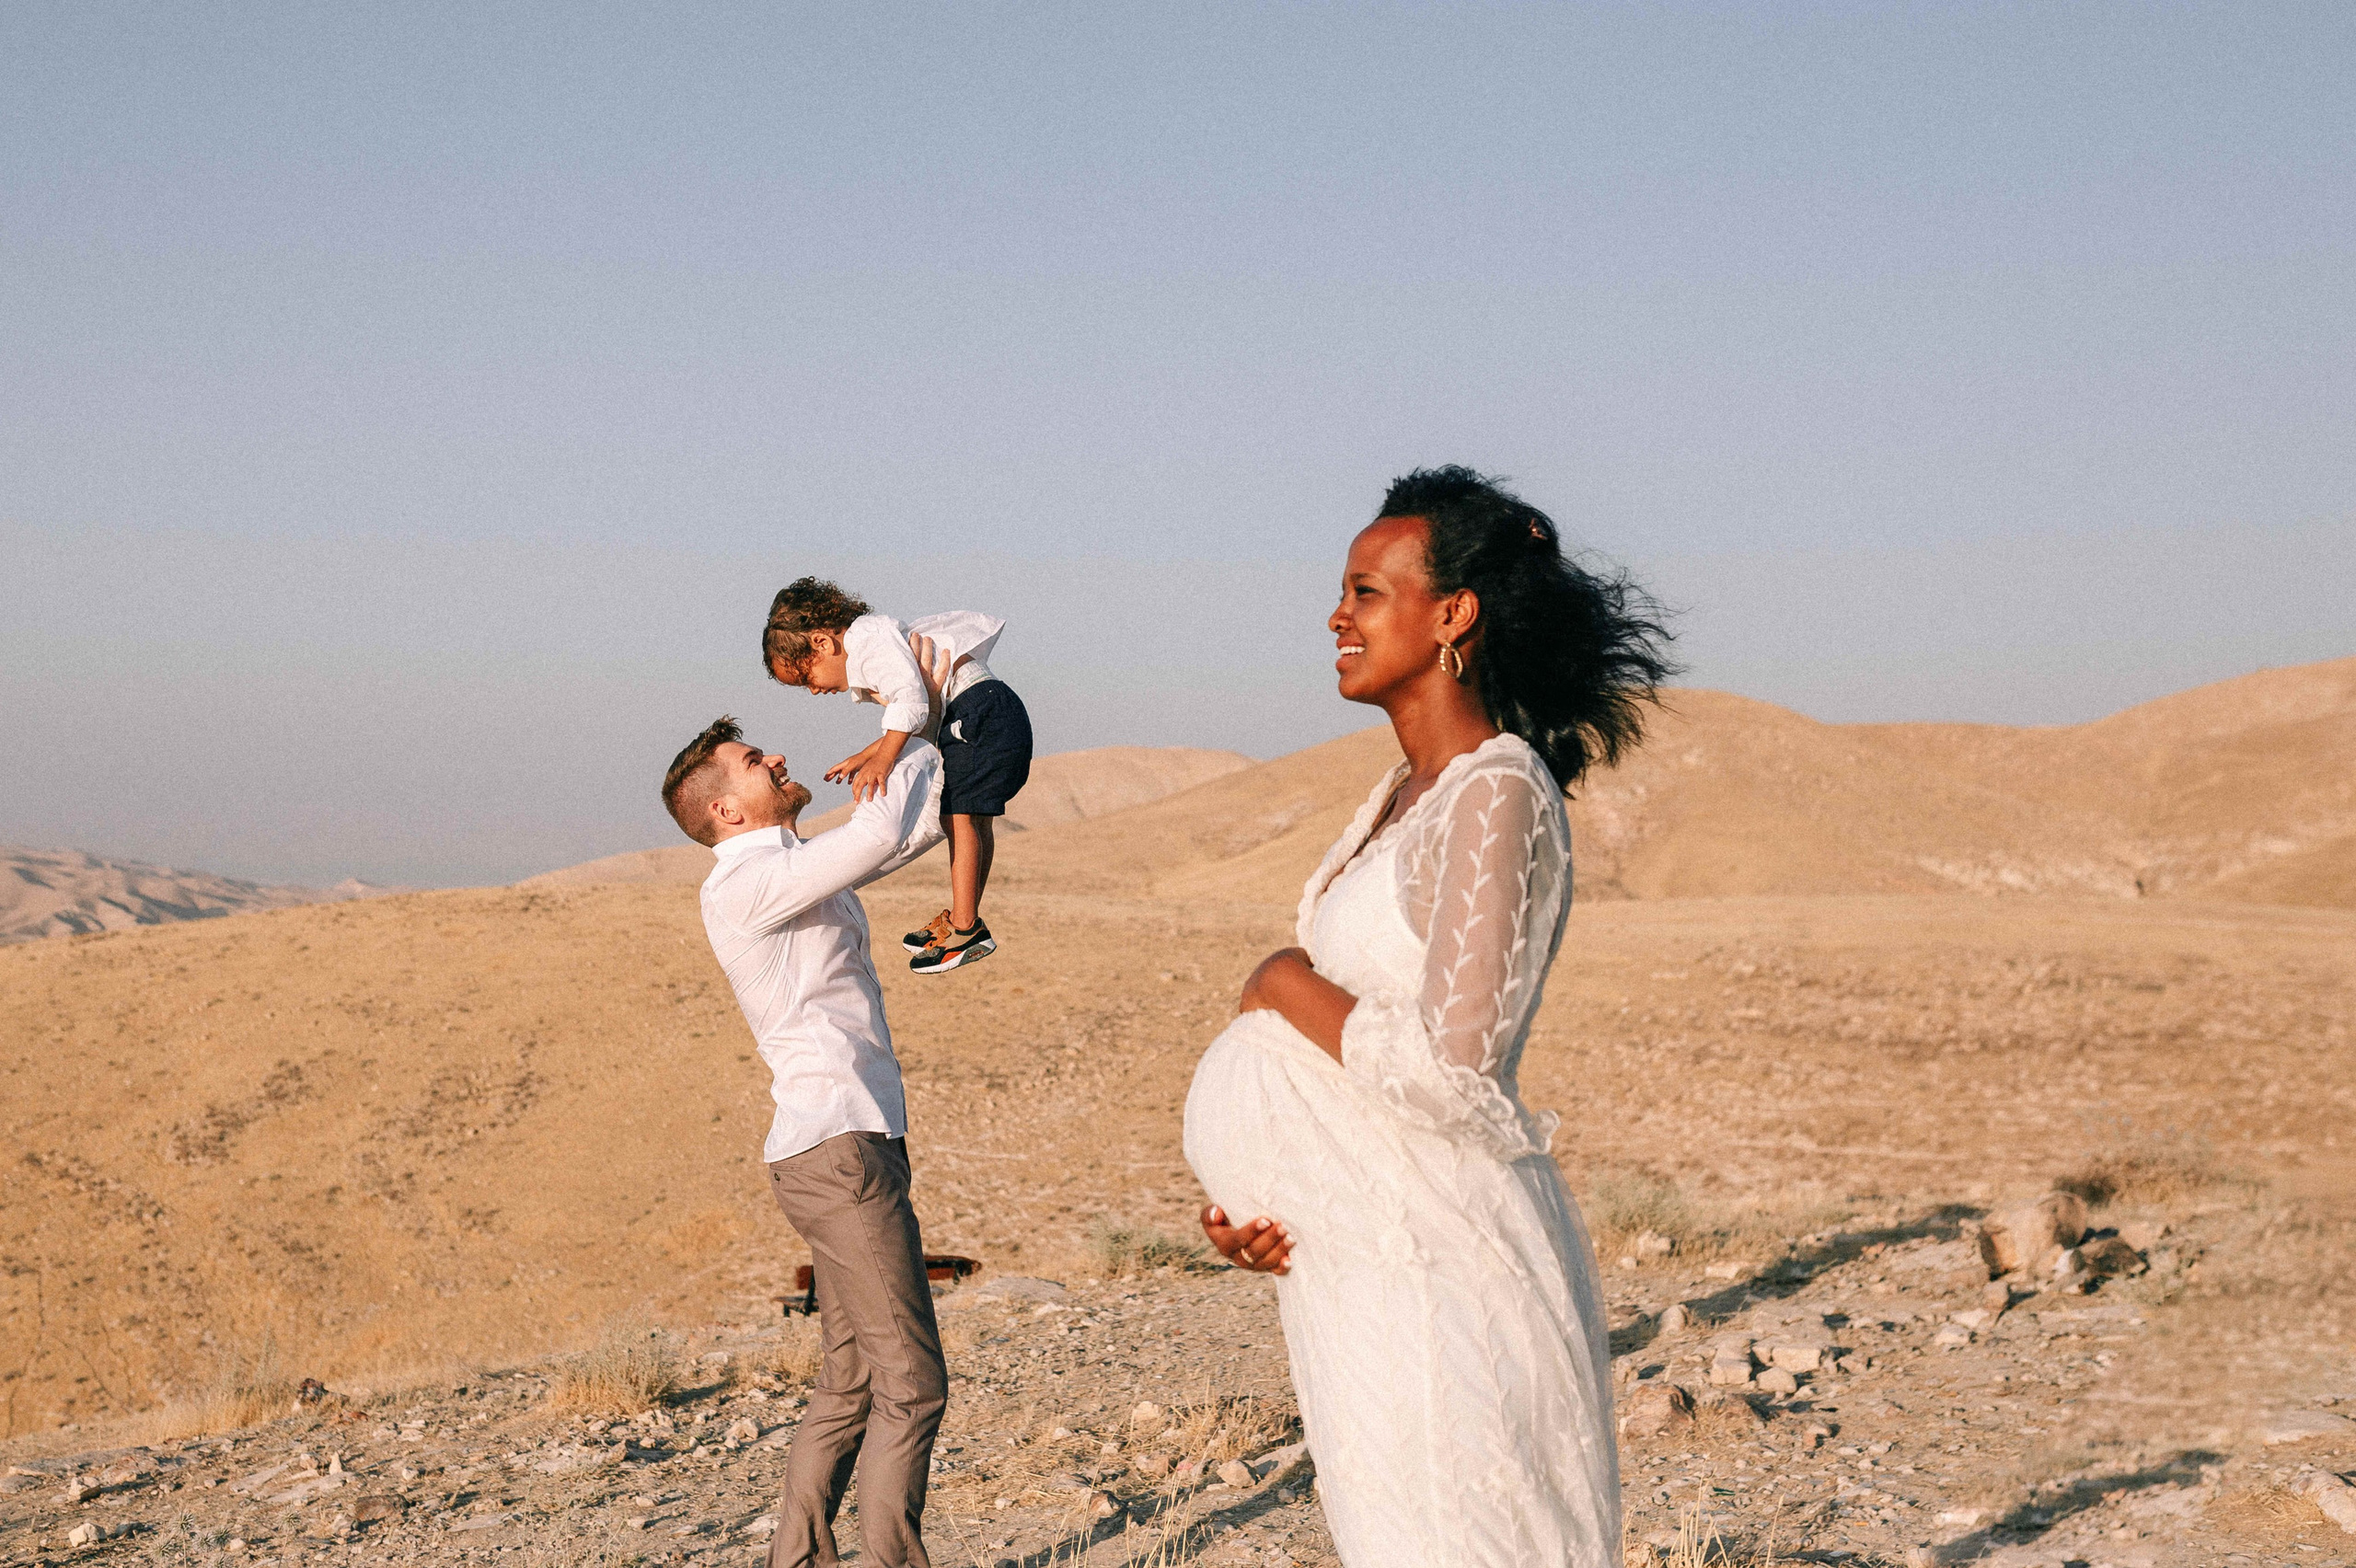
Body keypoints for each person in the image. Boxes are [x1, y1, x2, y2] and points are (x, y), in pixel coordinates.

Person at [1182, 466, 1675, 1567]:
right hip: (1365, 1265)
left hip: (1448, 1265)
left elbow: (1456, 1070)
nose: (1335, 617)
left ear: (1452, 614)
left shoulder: (1495, 790)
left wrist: (1279, 979)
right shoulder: (1403, 794)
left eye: (1364, 591)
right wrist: (1270, 1202)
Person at [658, 688, 953, 1568]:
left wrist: (940, 737)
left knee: (855, 1379)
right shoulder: (746, 884)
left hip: (847, 1146)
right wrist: (908, 726)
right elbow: (873, 836)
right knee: (914, 1384)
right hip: (838, 1151)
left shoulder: (790, 867)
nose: (778, 759)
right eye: (756, 762)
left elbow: (906, 833)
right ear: (724, 808)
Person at [761, 576, 1034, 974]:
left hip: (977, 712)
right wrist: (865, 755)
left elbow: (911, 703)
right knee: (967, 818)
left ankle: (966, 926)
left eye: (807, 678)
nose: (814, 691)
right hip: (982, 711)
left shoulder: (868, 643)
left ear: (822, 642)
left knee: (958, 817)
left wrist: (882, 761)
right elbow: (913, 709)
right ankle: (965, 916)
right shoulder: (874, 642)